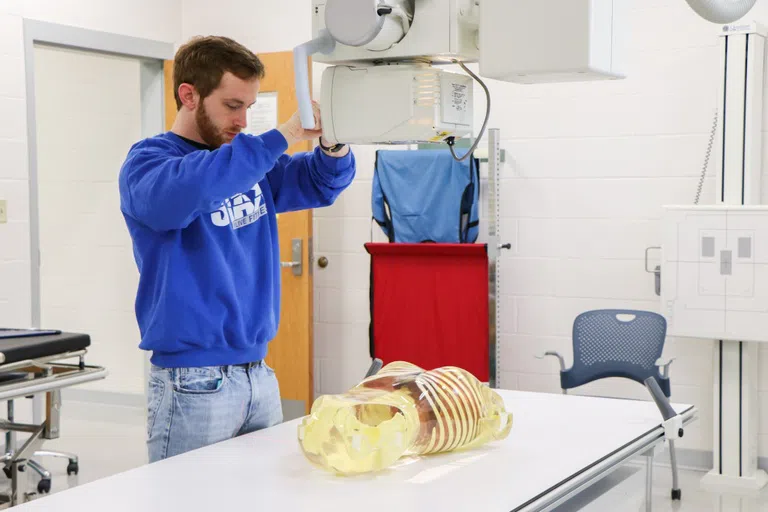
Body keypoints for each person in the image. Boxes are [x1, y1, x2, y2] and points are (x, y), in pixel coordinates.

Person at [118, 35, 356, 463]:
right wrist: (281, 136)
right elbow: (192, 189)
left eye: (249, 106)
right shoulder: (149, 163)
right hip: (192, 382)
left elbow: (320, 182)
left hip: (258, 376)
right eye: (233, 106)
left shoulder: (245, 163)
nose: (244, 120)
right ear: (188, 95)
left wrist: (332, 144)